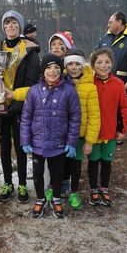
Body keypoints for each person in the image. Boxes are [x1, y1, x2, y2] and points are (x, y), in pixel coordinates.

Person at [0, 10, 40, 204]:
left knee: (21, 147)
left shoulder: (30, 50)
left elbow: (32, 81)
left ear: (20, 26)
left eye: (14, 22)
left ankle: (23, 184)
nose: (10, 25)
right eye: (6, 22)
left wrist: (17, 103)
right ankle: (8, 183)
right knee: (4, 146)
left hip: (21, 106)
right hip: (0, 106)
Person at [20, 54, 81, 218]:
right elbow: (26, 118)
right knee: (38, 173)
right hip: (38, 143)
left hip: (59, 144)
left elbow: (75, 118)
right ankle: (40, 198)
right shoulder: (34, 91)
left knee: (58, 173)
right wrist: (25, 139)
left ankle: (56, 199)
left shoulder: (69, 90)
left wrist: (71, 141)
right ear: (42, 71)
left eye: (56, 68)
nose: (52, 71)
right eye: (48, 68)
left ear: (61, 70)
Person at [88, 48, 127, 207]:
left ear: (112, 64)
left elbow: (124, 108)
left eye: (107, 62)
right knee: (93, 162)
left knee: (106, 162)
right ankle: (93, 190)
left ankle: (104, 189)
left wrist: (122, 129)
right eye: (99, 62)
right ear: (92, 65)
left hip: (111, 132)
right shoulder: (90, 83)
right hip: (93, 133)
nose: (103, 65)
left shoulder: (118, 84)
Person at [60, 49, 100, 210]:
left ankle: (74, 191)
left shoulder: (90, 88)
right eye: (70, 64)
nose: (74, 67)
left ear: (83, 65)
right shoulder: (60, 82)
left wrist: (89, 141)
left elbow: (94, 116)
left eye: (77, 64)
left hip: (79, 135)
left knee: (76, 165)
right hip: (62, 134)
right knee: (62, 163)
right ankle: (62, 184)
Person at [93, 11, 127, 95]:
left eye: (110, 22)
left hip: (121, 83)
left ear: (119, 22)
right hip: (102, 81)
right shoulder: (105, 38)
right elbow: (94, 55)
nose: (108, 25)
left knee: (118, 107)